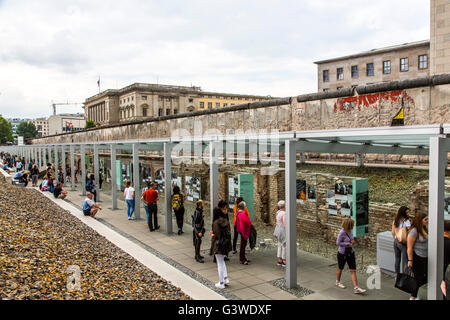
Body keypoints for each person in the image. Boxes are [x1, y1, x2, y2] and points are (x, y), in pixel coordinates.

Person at [336, 218, 367, 294]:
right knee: (340, 268)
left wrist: (352, 242)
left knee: (353, 270)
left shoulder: (351, 231)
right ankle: (337, 282)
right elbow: (338, 243)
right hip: (342, 253)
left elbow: (351, 240)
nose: (353, 226)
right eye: (352, 224)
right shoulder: (342, 233)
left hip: (351, 252)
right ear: (349, 225)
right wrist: (348, 244)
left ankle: (356, 288)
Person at [210, 200, 232, 289]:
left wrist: (212, 234)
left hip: (219, 244)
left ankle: (221, 282)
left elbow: (216, 235)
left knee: (219, 263)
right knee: (222, 261)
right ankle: (225, 278)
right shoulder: (226, 221)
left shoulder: (216, 222)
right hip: (225, 243)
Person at [407, 213, 428, 300]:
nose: (427, 221)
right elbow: (409, 247)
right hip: (417, 257)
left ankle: (414, 292)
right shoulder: (414, 231)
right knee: (418, 278)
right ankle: (413, 296)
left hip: (425, 256)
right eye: (425, 219)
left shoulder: (424, 229)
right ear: (420, 220)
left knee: (426, 276)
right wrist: (410, 260)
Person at [392, 206, 411, 274]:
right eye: (407, 212)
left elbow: (393, 233)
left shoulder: (395, 220)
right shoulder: (406, 221)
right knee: (406, 261)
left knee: (397, 259)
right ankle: (405, 276)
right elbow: (410, 231)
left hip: (395, 241)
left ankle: (397, 275)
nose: (408, 214)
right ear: (403, 213)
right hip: (402, 242)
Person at [236, 201, 252, 265]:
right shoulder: (242, 214)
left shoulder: (238, 213)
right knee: (243, 245)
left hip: (241, 230)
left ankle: (243, 258)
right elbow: (246, 222)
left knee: (243, 245)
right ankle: (242, 259)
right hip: (243, 231)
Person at [274, 200, 287, 267]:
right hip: (282, 229)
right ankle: (284, 260)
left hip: (277, 228)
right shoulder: (284, 213)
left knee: (279, 244)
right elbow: (285, 223)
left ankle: (279, 259)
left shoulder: (278, 212)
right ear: (284, 206)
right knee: (284, 244)